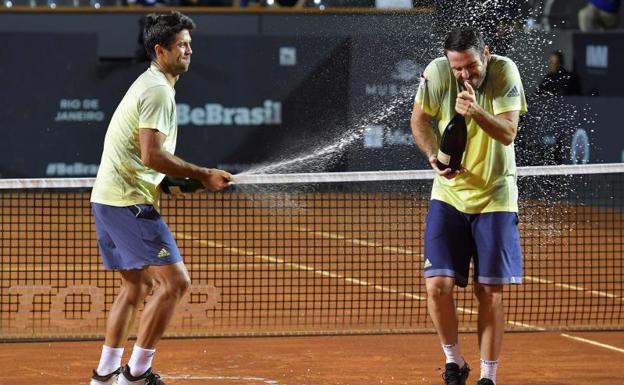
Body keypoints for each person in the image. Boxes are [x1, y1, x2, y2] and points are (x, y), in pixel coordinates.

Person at [89, 11, 232, 385]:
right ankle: (135, 374)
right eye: (181, 45)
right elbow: (152, 155)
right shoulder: (157, 91)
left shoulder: (151, 83)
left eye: (190, 44)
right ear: (160, 50)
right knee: (176, 284)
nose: (188, 50)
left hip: (108, 198)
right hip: (127, 202)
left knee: (136, 286)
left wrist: (190, 183)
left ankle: (104, 374)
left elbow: (145, 163)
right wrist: (202, 174)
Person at [410, 27, 526, 385]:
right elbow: (419, 121)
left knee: (489, 291)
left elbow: (508, 133)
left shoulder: (505, 70)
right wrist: (433, 156)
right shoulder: (436, 73)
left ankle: (488, 376)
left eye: (471, 67)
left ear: (485, 54)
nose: (464, 74)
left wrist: (474, 110)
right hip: (449, 195)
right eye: (458, 68)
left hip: (495, 195)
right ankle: (454, 362)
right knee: (436, 286)